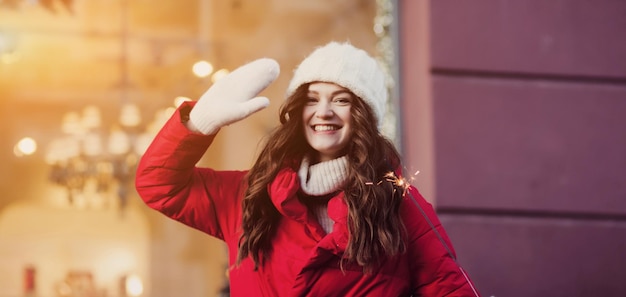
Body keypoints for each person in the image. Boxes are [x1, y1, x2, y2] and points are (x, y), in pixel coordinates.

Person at [135, 41, 480, 296]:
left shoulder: (398, 204)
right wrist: (197, 124)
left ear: (363, 116)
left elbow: (450, 291)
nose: (323, 112)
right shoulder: (251, 197)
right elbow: (159, 184)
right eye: (312, 99)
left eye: (341, 100)